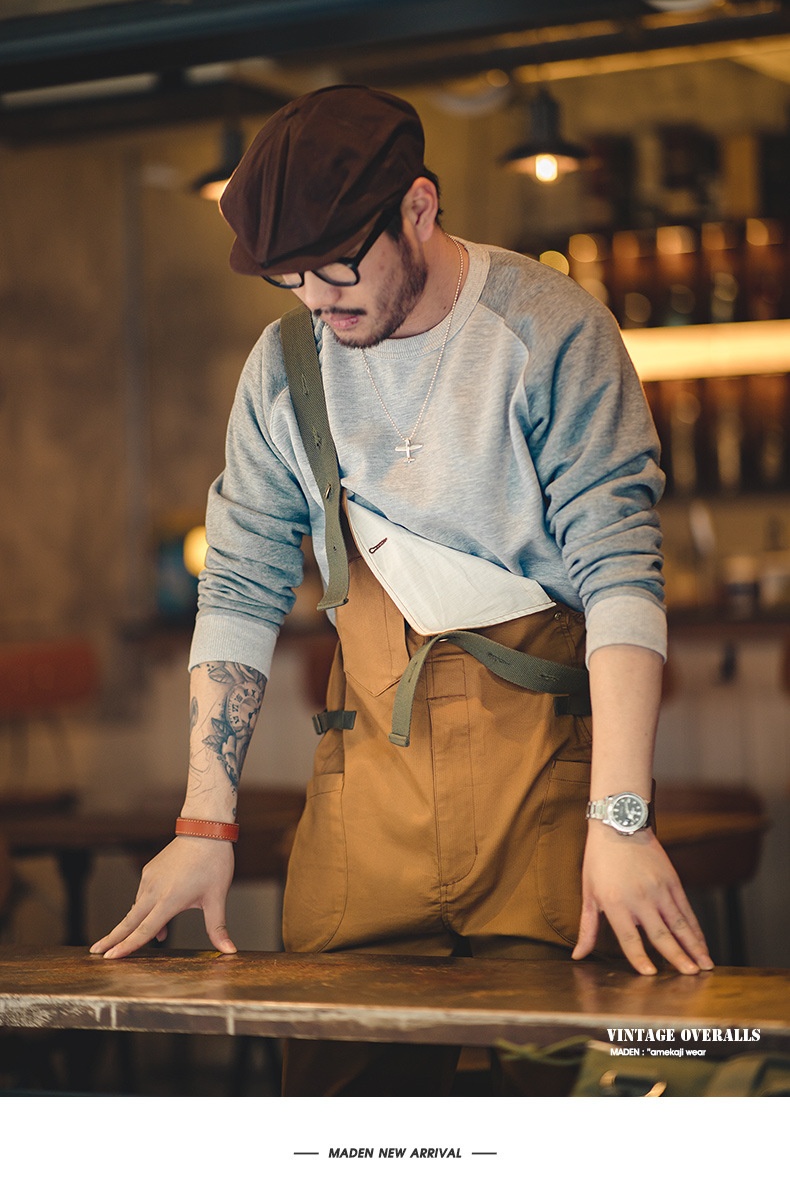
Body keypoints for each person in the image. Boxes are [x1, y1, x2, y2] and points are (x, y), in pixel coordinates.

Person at [91, 84, 713, 1095]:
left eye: (338, 265)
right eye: (290, 276)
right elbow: (240, 585)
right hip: (364, 803)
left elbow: (620, 569)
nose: (316, 300)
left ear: (417, 208)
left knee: (549, 1106)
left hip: (541, 797)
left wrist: (621, 816)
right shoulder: (285, 367)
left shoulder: (550, 331)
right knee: (339, 1115)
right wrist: (203, 823)